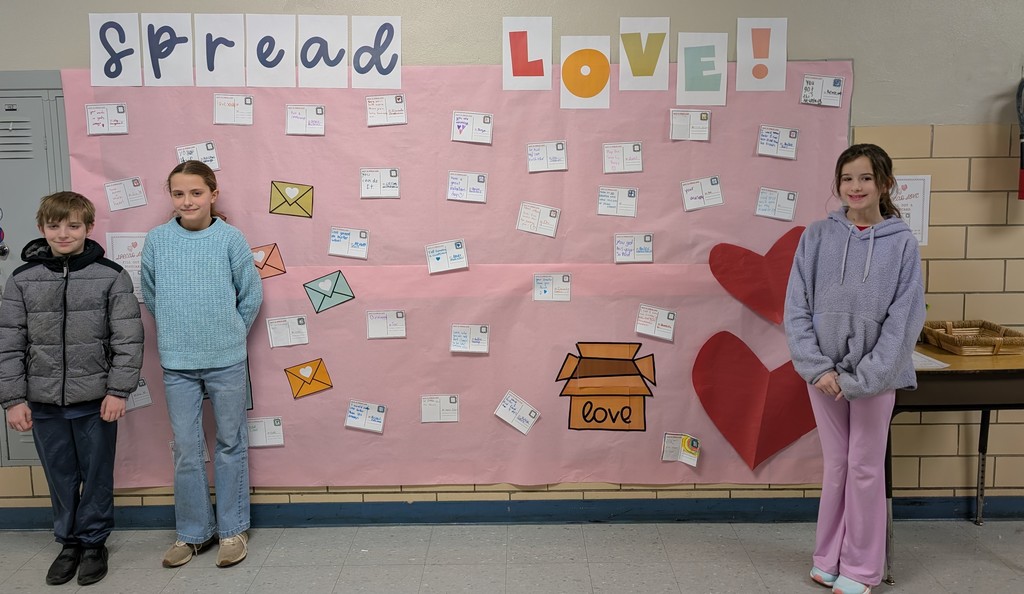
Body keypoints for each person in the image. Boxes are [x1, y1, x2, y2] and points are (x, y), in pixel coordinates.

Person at [784, 144, 926, 594]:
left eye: (865, 178)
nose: (855, 187)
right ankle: (828, 557)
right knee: (837, 466)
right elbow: (796, 307)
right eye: (847, 178)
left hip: (875, 378)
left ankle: (862, 568)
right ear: (838, 184)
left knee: (865, 466)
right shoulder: (817, 236)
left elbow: (905, 319)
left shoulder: (902, 242)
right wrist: (815, 368)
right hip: (822, 377)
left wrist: (864, 380)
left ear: (884, 184)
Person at [0, 192, 143, 586]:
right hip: (43, 402)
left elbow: (127, 339)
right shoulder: (21, 280)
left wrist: (118, 391)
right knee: (60, 474)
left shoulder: (112, 275)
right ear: (42, 228)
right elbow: (8, 342)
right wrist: (13, 399)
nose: (63, 234)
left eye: (73, 225)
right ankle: (69, 543)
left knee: (96, 473)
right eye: (55, 226)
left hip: (96, 399)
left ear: (88, 227)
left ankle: (94, 542)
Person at [141, 160, 263, 569]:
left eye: (195, 192)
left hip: (226, 360)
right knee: (188, 450)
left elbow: (250, 295)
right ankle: (193, 532)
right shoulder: (157, 240)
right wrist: (180, 333)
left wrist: (229, 333)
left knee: (230, 444)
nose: (187, 200)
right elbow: (152, 295)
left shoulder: (231, 239)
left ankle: (232, 530)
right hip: (177, 363)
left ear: (213, 194)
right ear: (170, 197)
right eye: (178, 193)